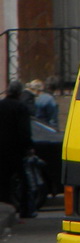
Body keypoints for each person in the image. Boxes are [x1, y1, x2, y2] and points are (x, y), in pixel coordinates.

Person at [0, 81, 35, 218]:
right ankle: (25, 210)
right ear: (19, 93)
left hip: (1, 149)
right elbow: (24, 130)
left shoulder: (1, 105)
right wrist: (29, 147)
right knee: (23, 180)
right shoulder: (20, 107)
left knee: (3, 180)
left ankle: (5, 209)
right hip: (16, 149)